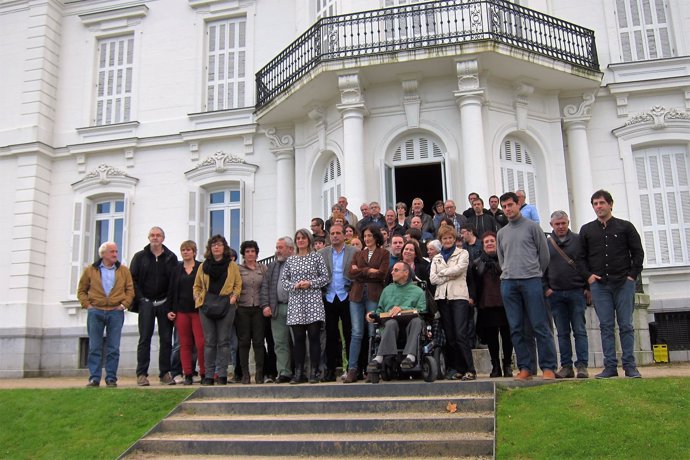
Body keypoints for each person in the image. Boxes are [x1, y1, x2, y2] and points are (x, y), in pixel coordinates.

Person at [578, 190, 644, 379]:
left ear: (610, 204)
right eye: (595, 204)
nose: (598, 207)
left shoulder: (625, 227)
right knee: (606, 326)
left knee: (626, 325)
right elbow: (580, 258)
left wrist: (632, 276)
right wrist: (588, 277)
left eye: (601, 203)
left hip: (623, 283)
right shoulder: (587, 230)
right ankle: (610, 367)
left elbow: (638, 253)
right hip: (600, 285)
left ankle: (630, 366)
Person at [497, 192, 557, 381]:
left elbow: (544, 255)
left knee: (540, 325)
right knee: (516, 327)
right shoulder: (501, 233)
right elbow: (501, 259)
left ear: (518, 205)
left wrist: (534, 272)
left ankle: (548, 367)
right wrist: (509, 272)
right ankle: (526, 367)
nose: (508, 209)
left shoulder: (533, 227)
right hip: (509, 282)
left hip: (531, 280)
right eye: (504, 206)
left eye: (510, 205)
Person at [78, 242, 134, 387]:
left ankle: (111, 378)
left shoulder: (123, 271)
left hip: (116, 312)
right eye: (112, 252)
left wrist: (124, 305)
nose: (115, 254)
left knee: (113, 347)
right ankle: (94, 378)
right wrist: (88, 305)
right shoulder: (91, 270)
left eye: (116, 251)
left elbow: (130, 290)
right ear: (103, 254)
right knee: (95, 346)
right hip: (96, 311)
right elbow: (81, 290)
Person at [543, 211, 590, 379]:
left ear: (568, 222)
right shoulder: (547, 244)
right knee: (562, 332)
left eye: (563, 223)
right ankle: (566, 366)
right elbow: (542, 267)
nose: (561, 227)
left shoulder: (578, 240)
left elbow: (586, 263)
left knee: (579, 330)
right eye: (557, 224)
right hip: (555, 294)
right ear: (551, 225)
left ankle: (582, 366)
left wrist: (587, 287)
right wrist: (546, 288)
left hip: (576, 291)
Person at [130, 226, 179, 386]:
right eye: (152, 235)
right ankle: (142, 374)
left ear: (163, 238)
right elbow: (133, 280)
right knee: (144, 338)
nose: (155, 238)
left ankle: (165, 373)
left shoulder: (171, 257)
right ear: (149, 237)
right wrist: (141, 299)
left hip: (165, 303)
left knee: (166, 339)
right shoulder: (140, 257)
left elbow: (174, 282)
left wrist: (171, 304)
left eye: (158, 235)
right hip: (146, 303)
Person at [281, 229, 330, 384]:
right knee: (299, 339)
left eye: (303, 238)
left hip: (313, 301)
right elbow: (284, 281)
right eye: (298, 238)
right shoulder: (290, 260)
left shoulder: (316, 257)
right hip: (296, 302)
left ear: (308, 240)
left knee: (314, 338)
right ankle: (298, 372)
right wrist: (294, 285)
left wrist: (310, 283)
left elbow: (325, 278)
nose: (301, 240)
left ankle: (314, 372)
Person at [193, 235, 242, 385]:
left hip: (226, 305)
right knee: (209, 341)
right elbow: (197, 286)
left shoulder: (232, 265)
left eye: (219, 245)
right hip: (207, 306)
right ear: (210, 248)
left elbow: (238, 284)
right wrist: (198, 298)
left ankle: (222, 374)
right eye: (213, 245)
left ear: (224, 247)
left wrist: (233, 298)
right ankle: (208, 375)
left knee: (224, 341)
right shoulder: (203, 266)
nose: (216, 247)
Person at [430, 226, 476, 381]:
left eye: (450, 238)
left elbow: (460, 269)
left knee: (460, 334)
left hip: (459, 297)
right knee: (450, 336)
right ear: (441, 240)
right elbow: (433, 279)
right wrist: (448, 274)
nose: (448, 240)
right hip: (443, 298)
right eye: (445, 238)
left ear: (455, 239)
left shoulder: (463, 253)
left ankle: (471, 369)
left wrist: (442, 273)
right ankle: (459, 369)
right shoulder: (436, 258)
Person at [366, 262, 427, 373]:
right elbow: (380, 310)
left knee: (417, 321)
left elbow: (421, 310)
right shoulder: (387, 290)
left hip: (410, 326)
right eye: (393, 270)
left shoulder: (418, 291)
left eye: (396, 270)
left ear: (406, 273)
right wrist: (372, 315)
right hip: (390, 326)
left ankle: (411, 356)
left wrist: (403, 308)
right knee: (391, 323)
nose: (392, 272)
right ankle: (379, 357)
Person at [348, 225, 390, 383]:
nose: (366, 239)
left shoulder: (384, 253)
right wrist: (369, 271)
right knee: (357, 332)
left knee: (373, 331)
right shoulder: (358, 253)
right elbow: (351, 273)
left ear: (376, 237)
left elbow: (382, 274)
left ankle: (372, 368)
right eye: (364, 236)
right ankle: (353, 369)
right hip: (356, 295)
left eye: (369, 236)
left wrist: (361, 270)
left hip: (373, 294)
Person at [469, 232, 513, 378]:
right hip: (486, 305)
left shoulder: (505, 259)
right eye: (486, 241)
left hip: (505, 304)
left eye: (492, 241)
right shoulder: (477, 263)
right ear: (483, 245)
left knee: (507, 337)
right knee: (492, 339)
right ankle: (495, 366)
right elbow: (474, 284)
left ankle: (507, 365)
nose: (489, 243)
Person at [318, 224, 358, 382]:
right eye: (332, 233)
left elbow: (357, 272)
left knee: (350, 334)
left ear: (344, 235)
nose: (335, 236)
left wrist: (351, 288)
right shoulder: (322, 253)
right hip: (328, 297)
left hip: (346, 296)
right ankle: (329, 370)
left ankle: (353, 369)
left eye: (338, 233)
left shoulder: (354, 252)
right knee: (330, 335)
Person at [167, 240, 203, 386]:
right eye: (183, 250)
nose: (186, 252)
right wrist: (170, 309)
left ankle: (204, 372)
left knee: (201, 343)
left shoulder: (201, 267)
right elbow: (171, 291)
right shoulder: (177, 269)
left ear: (194, 252)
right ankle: (187, 373)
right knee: (185, 343)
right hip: (181, 311)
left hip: (198, 311)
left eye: (188, 250)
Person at [260, 236, 295, 383]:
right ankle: (284, 372)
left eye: (280, 248)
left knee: (298, 341)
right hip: (277, 308)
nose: (277, 251)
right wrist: (266, 305)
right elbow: (265, 287)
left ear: (290, 249)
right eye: (277, 247)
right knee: (280, 343)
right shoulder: (273, 266)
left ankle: (301, 370)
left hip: (295, 308)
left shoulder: (296, 263)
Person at [237, 240, 268, 384]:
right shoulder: (238, 269)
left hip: (258, 309)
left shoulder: (263, 268)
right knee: (243, 342)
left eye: (253, 251)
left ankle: (260, 373)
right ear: (243, 254)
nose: (250, 254)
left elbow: (267, 286)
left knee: (259, 342)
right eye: (247, 251)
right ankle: (245, 374)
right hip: (242, 309)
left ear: (256, 253)